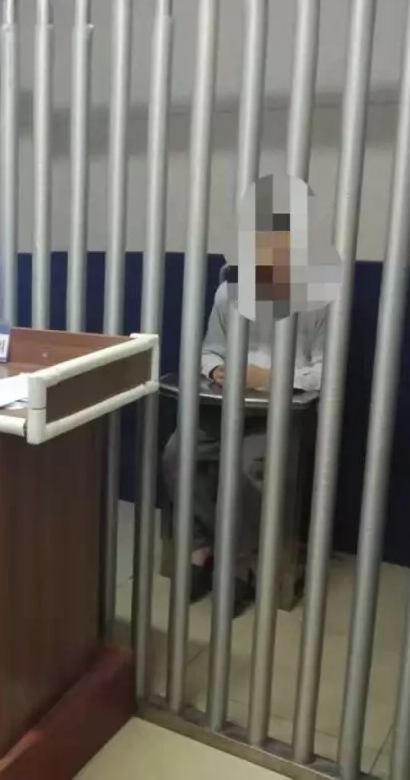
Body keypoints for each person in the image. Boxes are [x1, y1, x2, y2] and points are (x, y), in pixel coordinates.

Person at [162, 228, 327, 608]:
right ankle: (201, 548)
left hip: (283, 416)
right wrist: (216, 369)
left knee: (246, 467)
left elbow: (325, 371)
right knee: (177, 453)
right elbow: (210, 349)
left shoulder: (318, 303)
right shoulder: (229, 293)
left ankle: (239, 565)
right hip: (224, 408)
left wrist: (267, 377)